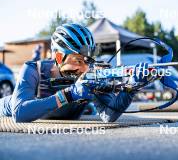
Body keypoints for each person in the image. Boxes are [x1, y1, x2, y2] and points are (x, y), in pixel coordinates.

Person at [0, 23, 148, 122]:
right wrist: (69, 94)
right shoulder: (33, 69)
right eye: (78, 61)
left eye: (88, 61)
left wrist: (130, 88)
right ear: (58, 56)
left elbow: (108, 116)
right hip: (9, 107)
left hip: (66, 117)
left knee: (89, 109)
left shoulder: (92, 72)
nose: (85, 68)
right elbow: (20, 114)